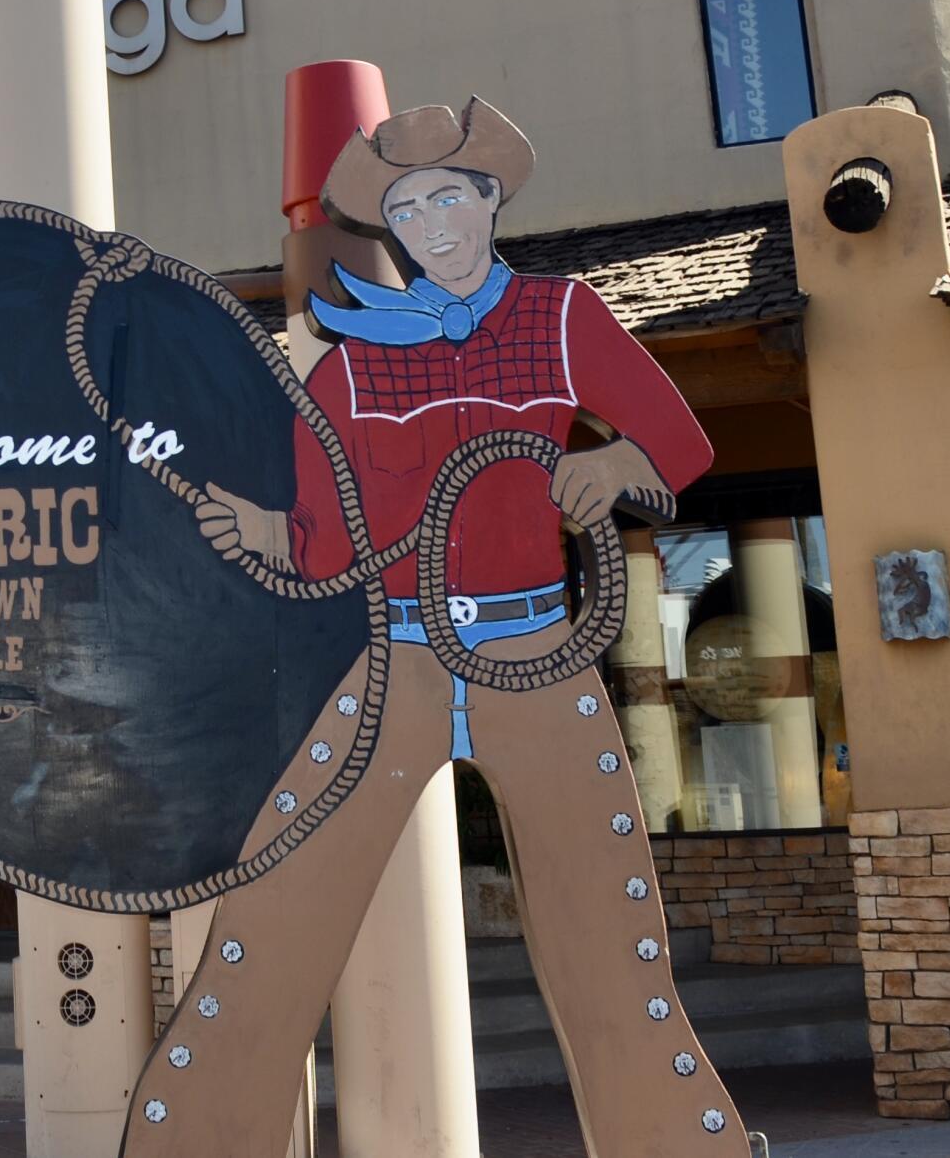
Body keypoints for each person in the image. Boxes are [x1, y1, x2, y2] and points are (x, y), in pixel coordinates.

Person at [158, 97, 751, 1154]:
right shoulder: (349, 361)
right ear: (390, 225)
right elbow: (323, 543)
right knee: (273, 916)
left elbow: (679, 440)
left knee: (608, 936)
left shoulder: (563, 315)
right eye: (407, 204)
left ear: (487, 202)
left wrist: (613, 464)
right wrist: (252, 525)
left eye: (446, 195)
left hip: (532, 651)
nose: (430, 218)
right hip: (396, 659)